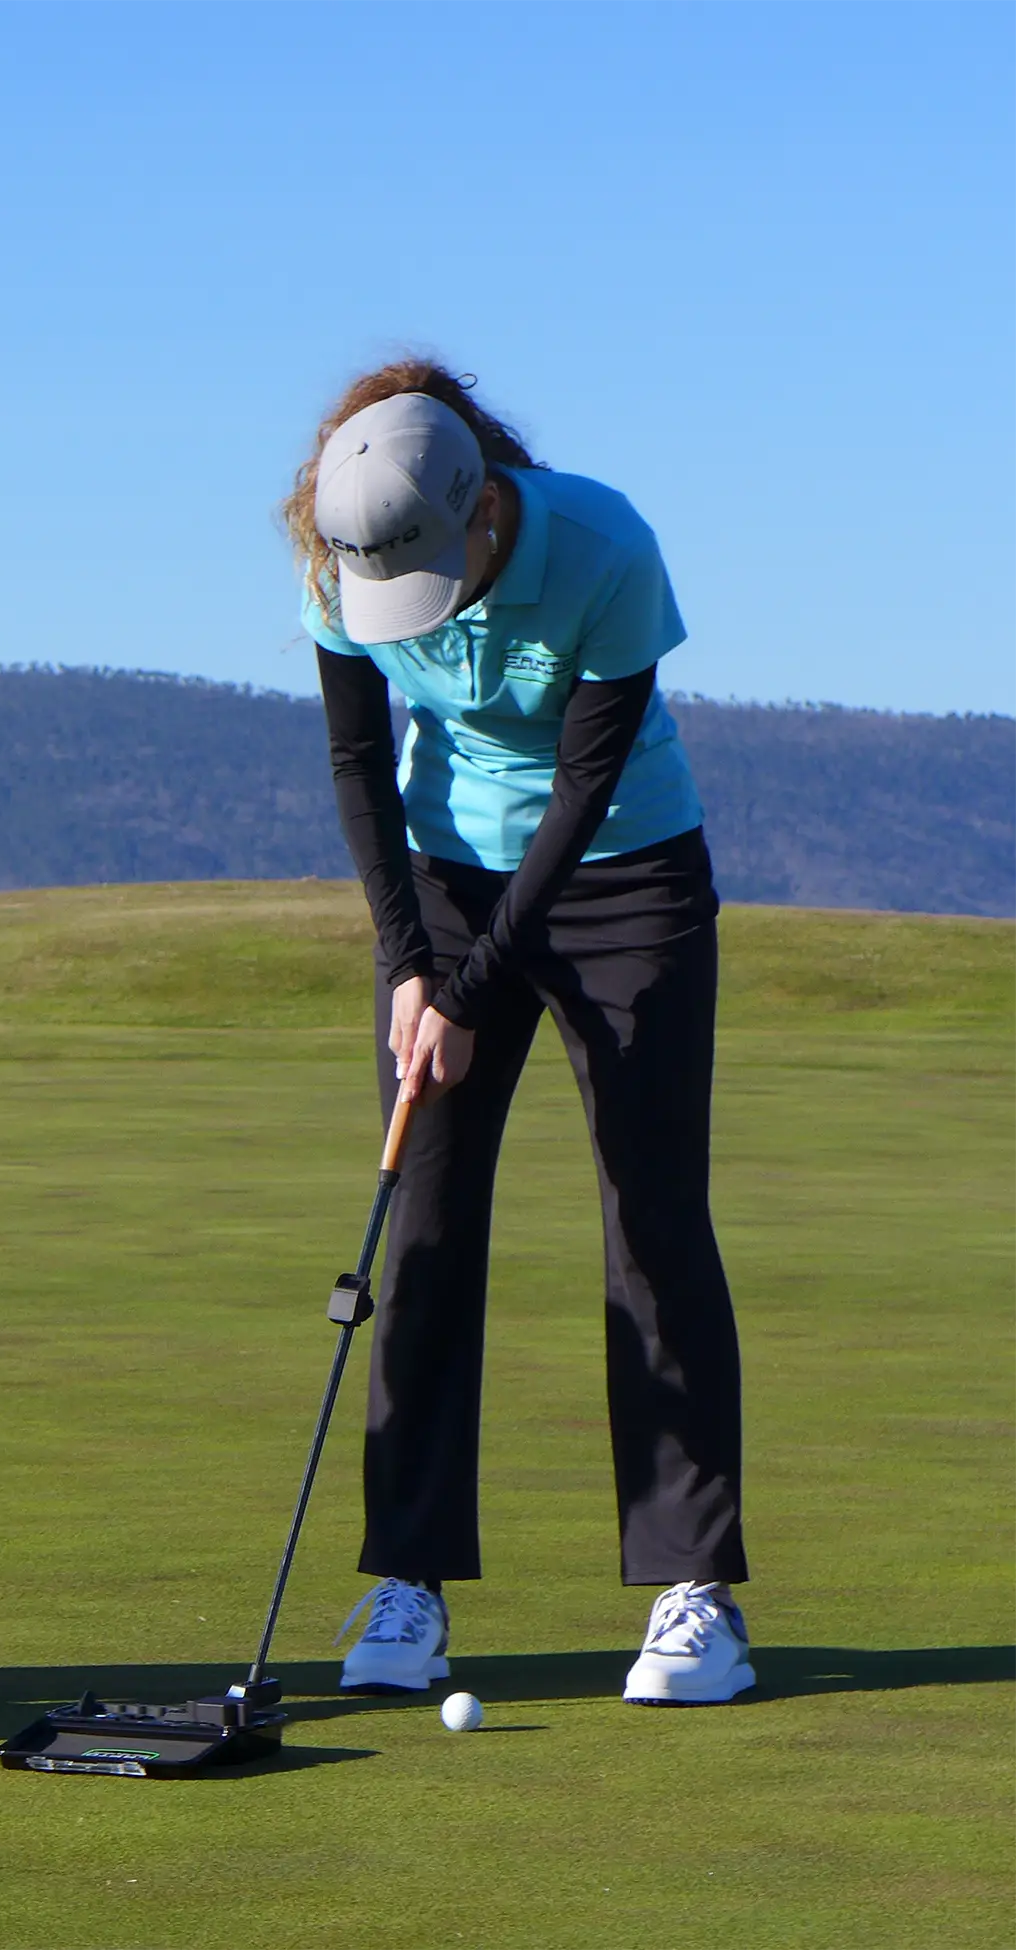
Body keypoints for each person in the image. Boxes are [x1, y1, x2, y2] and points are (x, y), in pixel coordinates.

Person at [284, 361, 754, 1706]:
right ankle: (408, 1578)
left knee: (652, 1216)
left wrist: (471, 990)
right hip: (442, 878)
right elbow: (359, 766)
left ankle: (694, 1594)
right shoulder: (332, 561)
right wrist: (406, 960)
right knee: (424, 1223)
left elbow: (584, 785)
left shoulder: (604, 546)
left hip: (627, 875)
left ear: (487, 506)